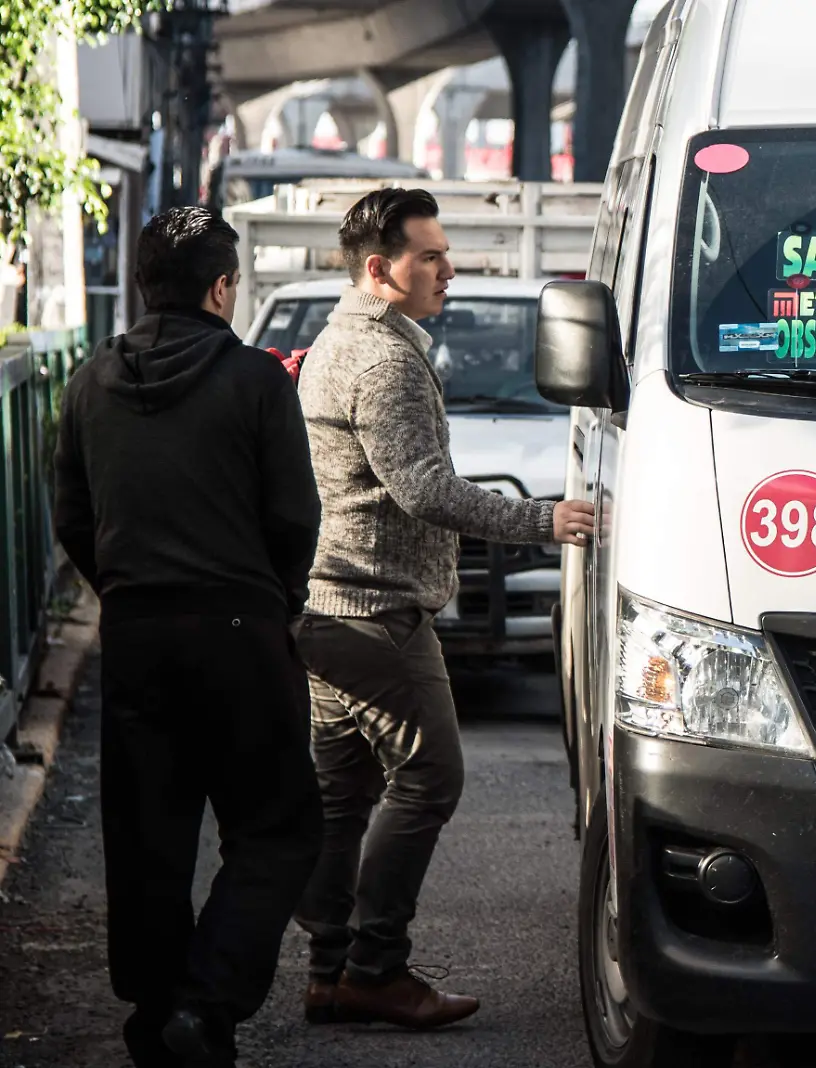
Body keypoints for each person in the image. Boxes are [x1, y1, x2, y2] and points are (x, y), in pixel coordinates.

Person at [292, 188, 596, 1029]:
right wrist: (548, 519)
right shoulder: (381, 360)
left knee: (342, 795)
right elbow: (423, 490)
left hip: (332, 602)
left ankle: (329, 972)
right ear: (381, 269)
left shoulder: (341, 340)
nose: (448, 269)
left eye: (444, 252)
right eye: (430, 257)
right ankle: (375, 967)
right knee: (430, 778)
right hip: (374, 611)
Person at [52, 207, 324, 1068]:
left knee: (148, 836)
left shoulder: (90, 382)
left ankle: (155, 1014)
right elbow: (293, 517)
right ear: (220, 288)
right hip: (241, 631)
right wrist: (278, 599)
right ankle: (206, 1005)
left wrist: (124, 590)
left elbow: (72, 518)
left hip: (136, 632)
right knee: (278, 826)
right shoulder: (255, 381)